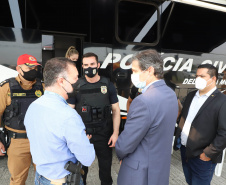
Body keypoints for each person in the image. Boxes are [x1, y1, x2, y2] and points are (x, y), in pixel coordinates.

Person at [24, 57, 95, 185]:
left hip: (40, 178)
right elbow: (88, 159)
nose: (78, 82)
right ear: (61, 81)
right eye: (75, 78)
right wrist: (84, 140)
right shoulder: (69, 116)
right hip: (62, 181)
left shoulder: (33, 107)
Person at [115, 49, 178, 185]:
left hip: (140, 173)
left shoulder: (143, 101)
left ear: (149, 70)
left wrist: (120, 153)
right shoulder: (170, 93)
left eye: (135, 71)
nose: (132, 75)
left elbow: (126, 143)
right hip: (159, 170)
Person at [68, 52, 120, 185]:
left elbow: (115, 110)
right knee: (80, 173)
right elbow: (69, 113)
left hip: (104, 134)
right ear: (82, 66)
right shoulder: (76, 86)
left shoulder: (107, 84)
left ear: (98, 65)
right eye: (85, 65)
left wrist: (115, 133)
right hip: (84, 135)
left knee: (105, 172)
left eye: (92, 64)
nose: (89, 67)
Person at [174, 64, 226, 185]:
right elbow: (184, 119)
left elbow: (224, 133)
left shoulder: (222, 101)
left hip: (203, 156)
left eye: (202, 76)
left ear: (213, 79)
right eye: (197, 76)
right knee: (189, 181)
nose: (198, 79)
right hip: (185, 150)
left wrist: (208, 153)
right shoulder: (191, 95)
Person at [0, 54, 44, 185]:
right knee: (17, 180)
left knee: (45, 177)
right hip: (17, 141)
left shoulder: (43, 87)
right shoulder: (6, 87)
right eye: (29, 67)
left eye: (35, 67)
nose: (33, 70)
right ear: (19, 68)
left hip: (40, 140)